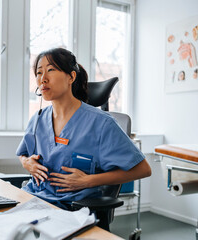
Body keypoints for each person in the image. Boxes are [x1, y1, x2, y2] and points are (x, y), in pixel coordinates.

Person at [16, 48, 151, 210]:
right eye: (38, 73)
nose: (42, 79)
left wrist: (88, 181)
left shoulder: (102, 123)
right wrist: (26, 163)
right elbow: (23, 153)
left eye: (50, 70)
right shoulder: (37, 119)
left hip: (72, 207)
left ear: (71, 77)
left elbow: (143, 169)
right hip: (33, 198)